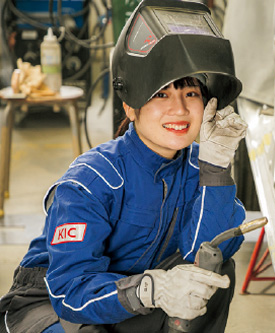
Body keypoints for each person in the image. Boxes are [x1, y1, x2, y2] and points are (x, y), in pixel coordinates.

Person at [0, 0, 247, 332]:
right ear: (130, 106)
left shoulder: (198, 171)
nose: (179, 108)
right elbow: (69, 294)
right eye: (161, 95)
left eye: (190, 93)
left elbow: (208, 252)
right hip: (53, 304)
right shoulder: (91, 181)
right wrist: (149, 290)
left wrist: (216, 168)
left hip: (130, 300)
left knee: (212, 271)